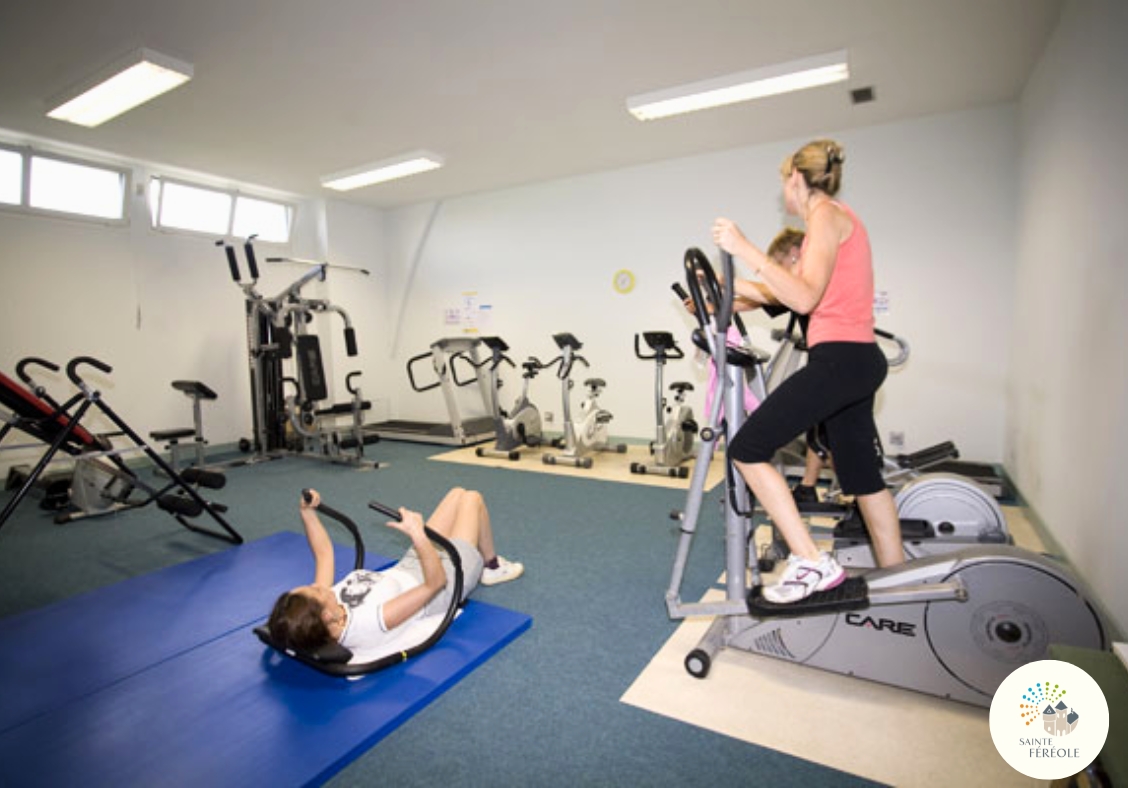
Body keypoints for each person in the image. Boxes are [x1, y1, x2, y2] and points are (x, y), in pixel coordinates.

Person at [711, 139, 903, 604]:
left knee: (747, 448)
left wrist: (743, 248)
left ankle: (811, 561)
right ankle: (901, 579)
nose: (784, 195)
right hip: (857, 359)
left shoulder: (825, 216)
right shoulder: (836, 218)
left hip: (839, 359)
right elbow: (786, 293)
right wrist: (726, 291)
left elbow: (802, 297)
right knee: (863, 478)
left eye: (784, 184)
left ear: (796, 178)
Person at [267, 487, 523, 661]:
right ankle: (492, 566)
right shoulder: (368, 623)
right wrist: (419, 536)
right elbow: (435, 584)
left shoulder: (324, 610)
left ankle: (487, 561)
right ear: (325, 615)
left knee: (457, 494)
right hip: (445, 579)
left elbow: (324, 555)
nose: (318, 585)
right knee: (472, 500)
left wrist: (308, 513)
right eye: (315, 590)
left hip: (408, 566)